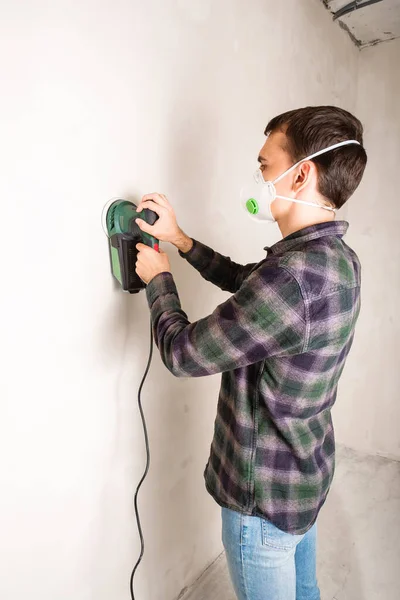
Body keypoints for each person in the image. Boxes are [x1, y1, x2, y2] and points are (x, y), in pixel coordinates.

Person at [134, 105, 368, 600]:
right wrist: (181, 242)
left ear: (301, 174)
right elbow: (249, 286)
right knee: (306, 592)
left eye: (264, 165)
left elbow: (182, 353)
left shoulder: (293, 278)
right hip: (305, 476)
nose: (258, 176)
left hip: (263, 498)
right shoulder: (335, 260)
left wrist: (159, 278)